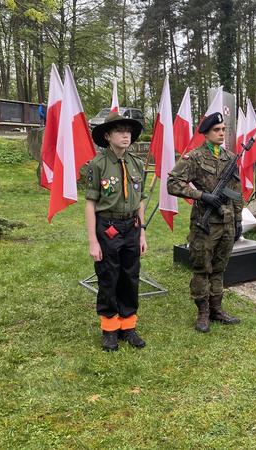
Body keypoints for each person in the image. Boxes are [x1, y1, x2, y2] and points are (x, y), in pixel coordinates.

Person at [167, 112, 243, 332]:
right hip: (205, 223)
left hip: (227, 221)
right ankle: (202, 313)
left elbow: (236, 191)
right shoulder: (195, 158)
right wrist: (201, 195)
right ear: (206, 133)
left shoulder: (230, 158)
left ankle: (217, 309)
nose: (221, 134)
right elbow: (173, 183)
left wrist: (238, 219)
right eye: (216, 130)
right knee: (202, 269)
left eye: (223, 130)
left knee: (219, 268)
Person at [85, 112, 147, 352]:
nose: (126, 135)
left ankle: (128, 326)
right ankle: (110, 327)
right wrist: (93, 241)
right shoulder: (97, 165)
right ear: (108, 136)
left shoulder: (136, 164)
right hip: (108, 227)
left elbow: (140, 199)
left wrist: (141, 232)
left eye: (129, 131)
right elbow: (90, 203)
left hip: (131, 226)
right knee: (109, 276)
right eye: (120, 131)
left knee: (130, 276)